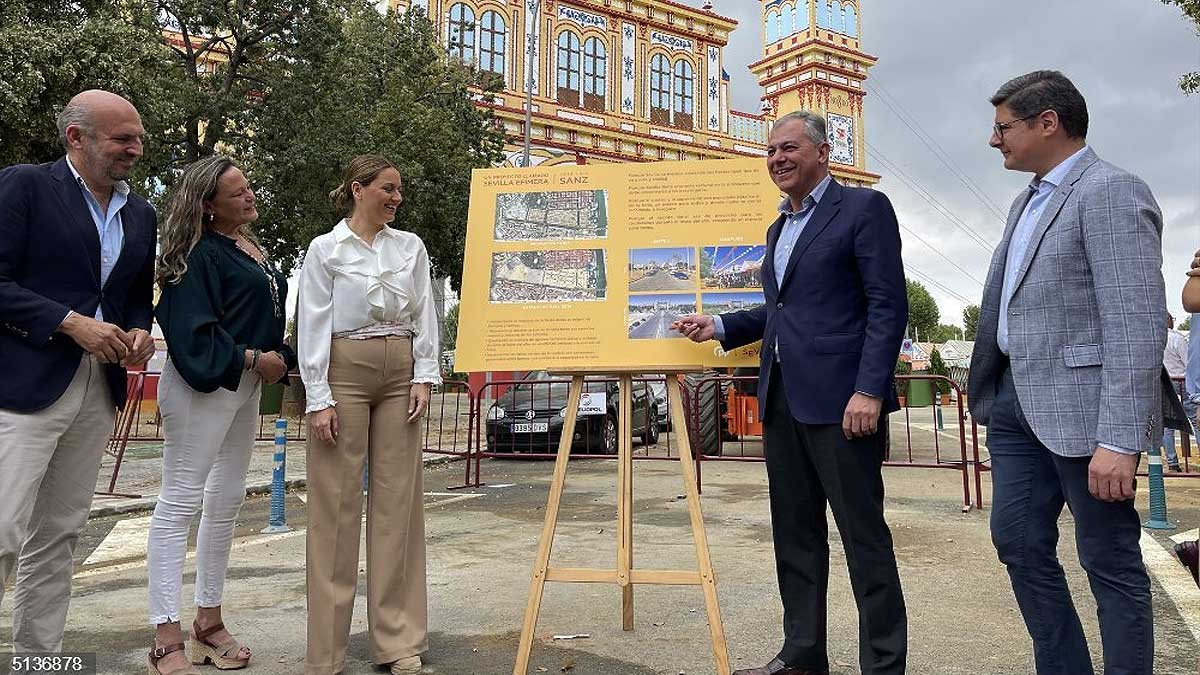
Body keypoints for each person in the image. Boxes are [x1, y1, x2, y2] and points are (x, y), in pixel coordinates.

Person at [674, 110, 908, 675]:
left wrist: (869, 391)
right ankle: (803, 655)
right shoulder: (779, 229)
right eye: (771, 150)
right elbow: (783, 312)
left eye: (790, 148)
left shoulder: (863, 209)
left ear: (823, 152)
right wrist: (724, 327)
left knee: (863, 541)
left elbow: (887, 304)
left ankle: (883, 664)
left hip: (844, 407)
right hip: (783, 402)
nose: (778, 158)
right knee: (796, 539)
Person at [967, 70, 1185, 675]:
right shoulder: (1028, 199)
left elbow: (1137, 320)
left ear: (1048, 123)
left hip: (1086, 414)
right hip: (1014, 403)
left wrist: (1119, 439)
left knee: (1108, 561)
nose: (993, 140)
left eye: (1003, 127)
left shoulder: (1111, 191)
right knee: (1016, 541)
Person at [0, 90, 156, 652]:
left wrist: (137, 331)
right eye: (122, 138)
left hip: (98, 387)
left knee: (59, 536)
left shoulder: (140, 212)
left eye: (138, 137)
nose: (135, 148)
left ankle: (38, 662)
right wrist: (68, 322)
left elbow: (136, 297)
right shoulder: (26, 185)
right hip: (23, 384)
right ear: (76, 138)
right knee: (1, 532)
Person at [146, 156, 295, 674]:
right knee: (181, 500)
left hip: (245, 386)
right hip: (203, 385)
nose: (251, 196)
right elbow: (191, 330)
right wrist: (253, 357)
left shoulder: (250, 249)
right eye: (238, 192)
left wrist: (276, 359)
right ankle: (166, 635)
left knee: (227, 498)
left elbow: (256, 317)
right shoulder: (196, 254)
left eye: (250, 187)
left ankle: (208, 620)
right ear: (208, 205)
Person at [297, 155, 441, 675]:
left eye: (399, 190)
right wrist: (318, 397)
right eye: (388, 189)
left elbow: (426, 310)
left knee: (397, 507)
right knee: (334, 509)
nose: (396, 198)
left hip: (401, 371)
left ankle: (398, 643)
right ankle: (326, 654)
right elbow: (311, 320)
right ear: (359, 190)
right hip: (344, 372)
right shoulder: (325, 249)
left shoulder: (411, 247)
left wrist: (425, 374)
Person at [1161, 313, 1190, 472]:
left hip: (1167, 381)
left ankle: (1172, 462)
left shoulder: (1157, 338)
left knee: (1168, 426)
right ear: (1169, 320)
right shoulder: (1177, 339)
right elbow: (1189, 363)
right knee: (1195, 420)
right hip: (1182, 381)